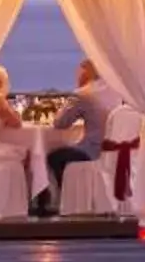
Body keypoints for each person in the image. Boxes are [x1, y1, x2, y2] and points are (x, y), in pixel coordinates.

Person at [40, 58, 119, 214]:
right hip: (114, 149)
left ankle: (62, 199)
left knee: (52, 157)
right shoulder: (115, 91)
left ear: (85, 73)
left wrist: (76, 93)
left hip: (92, 150)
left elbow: (60, 123)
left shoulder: (84, 93)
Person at [0, 64, 49, 212]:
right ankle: (32, 199)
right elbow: (16, 123)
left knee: (20, 151)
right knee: (26, 153)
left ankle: (23, 200)